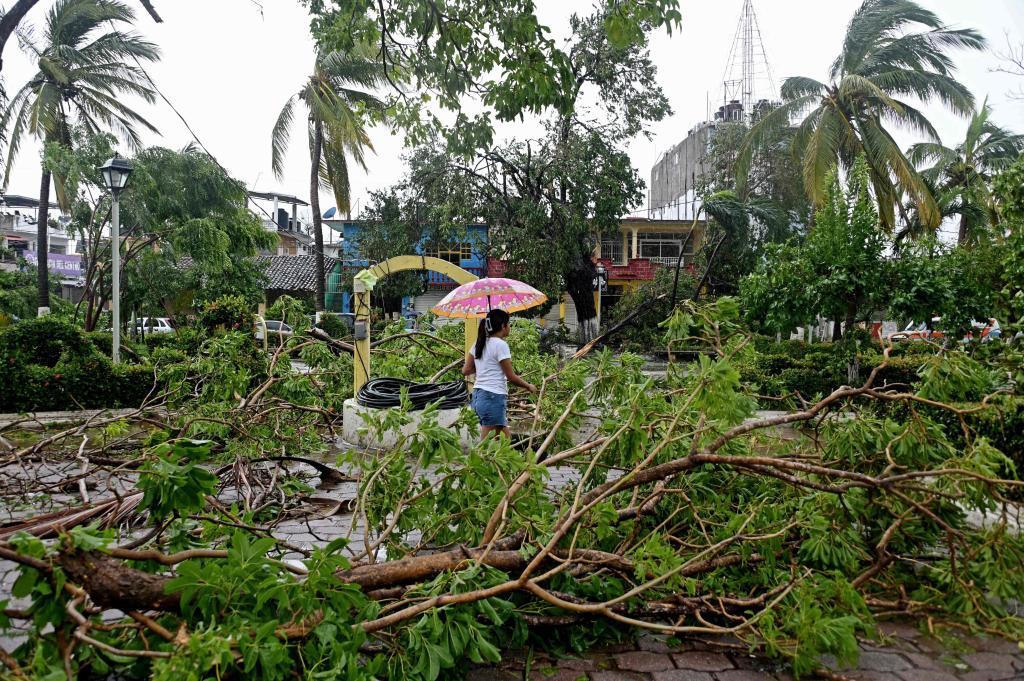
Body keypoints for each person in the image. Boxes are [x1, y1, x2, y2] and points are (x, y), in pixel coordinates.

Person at [462, 309, 537, 439]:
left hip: (478, 396)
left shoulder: (479, 343)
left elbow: (466, 370)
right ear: (503, 326)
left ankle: (522, 459)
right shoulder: (501, 345)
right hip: (492, 396)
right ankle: (476, 459)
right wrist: (529, 386)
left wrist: (484, 366)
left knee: (503, 439)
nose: (510, 327)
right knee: (486, 445)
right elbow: (511, 377)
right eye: (509, 324)